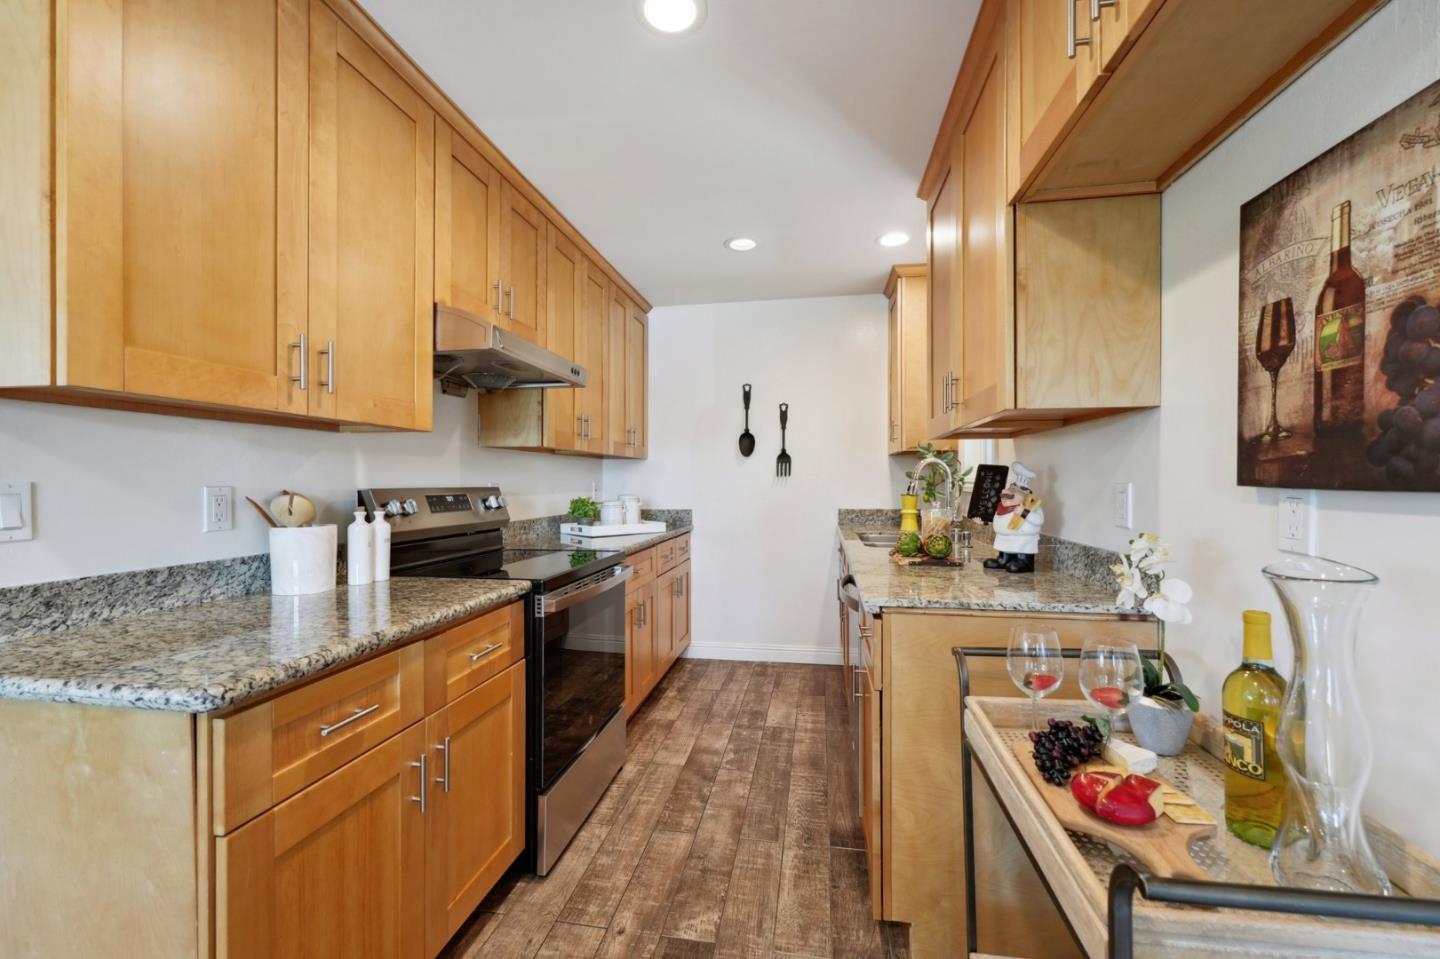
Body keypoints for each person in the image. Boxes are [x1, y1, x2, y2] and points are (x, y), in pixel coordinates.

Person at [984, 462, 1044, 574]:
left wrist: (1024, 512)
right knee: (1006, 547)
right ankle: (1004, 559)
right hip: (1005, 538)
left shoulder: (1032, 505)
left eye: (1009, 496)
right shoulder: (1002, 507)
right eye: (1003, 496)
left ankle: (1024, 562)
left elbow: (1039, 520)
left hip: (1023, 539)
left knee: (1022, 548)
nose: (1004, 499)